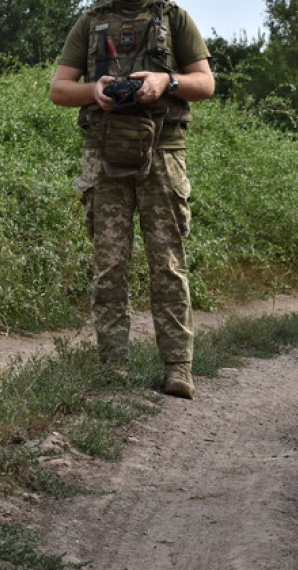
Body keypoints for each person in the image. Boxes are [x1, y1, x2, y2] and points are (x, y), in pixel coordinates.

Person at [49, 0, 214, 399]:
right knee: (109, 265)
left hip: (163, 151)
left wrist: (165, 82)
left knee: (168, 263)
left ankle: (178, 367)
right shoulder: (91, 21)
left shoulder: (174, 18)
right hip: (104, 155)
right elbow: (59, 89)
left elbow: (206, 83)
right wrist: (96, 90)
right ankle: (113, 369)